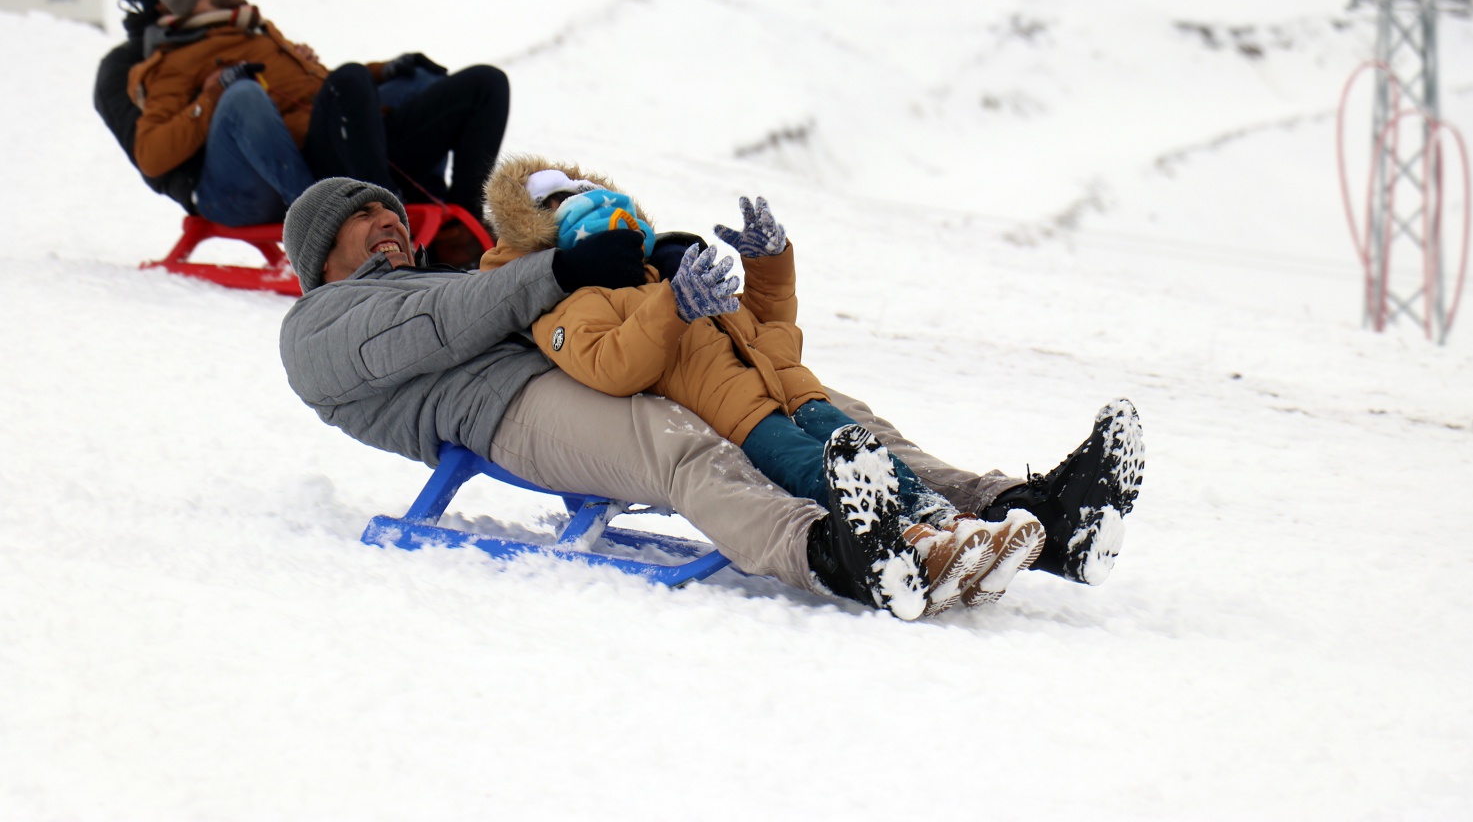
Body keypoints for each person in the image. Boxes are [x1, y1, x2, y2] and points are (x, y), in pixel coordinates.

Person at [278, 178, 1145, 619]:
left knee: (814, 407)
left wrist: (656, 268)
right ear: (322, 252)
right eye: (364, 216)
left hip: (580, 368)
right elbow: (437, 323)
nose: (387, 220)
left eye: (390, 210)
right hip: (502, 411)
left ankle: (1021, 512)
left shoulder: (458, 281)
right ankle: (839, 554)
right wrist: (557, 270)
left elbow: (518, 298)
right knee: (676, 443)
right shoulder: (321, 324)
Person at [480, 165, 1046, 613]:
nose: (592, 203)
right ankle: (916, 541)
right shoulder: (569, 299)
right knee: (814, 469)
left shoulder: (667, 271)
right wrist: (673, 309)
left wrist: (768, 265)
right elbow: (611, 365)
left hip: (791, 396)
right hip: (740, 420)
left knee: (863, 451)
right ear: (538, 226)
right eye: (562, 200)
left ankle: (951, 527)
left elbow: (766, 332)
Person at [113, 0, 509, 264]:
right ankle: (355, 226)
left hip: (338, 149)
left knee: (481, 83)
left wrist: (383, 71)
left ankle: (460, 231)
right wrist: (212, 94)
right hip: (292, 174)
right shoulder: (172, 62)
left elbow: (317, 93)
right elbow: (151, 153)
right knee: (255, 94)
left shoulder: (253, 29)